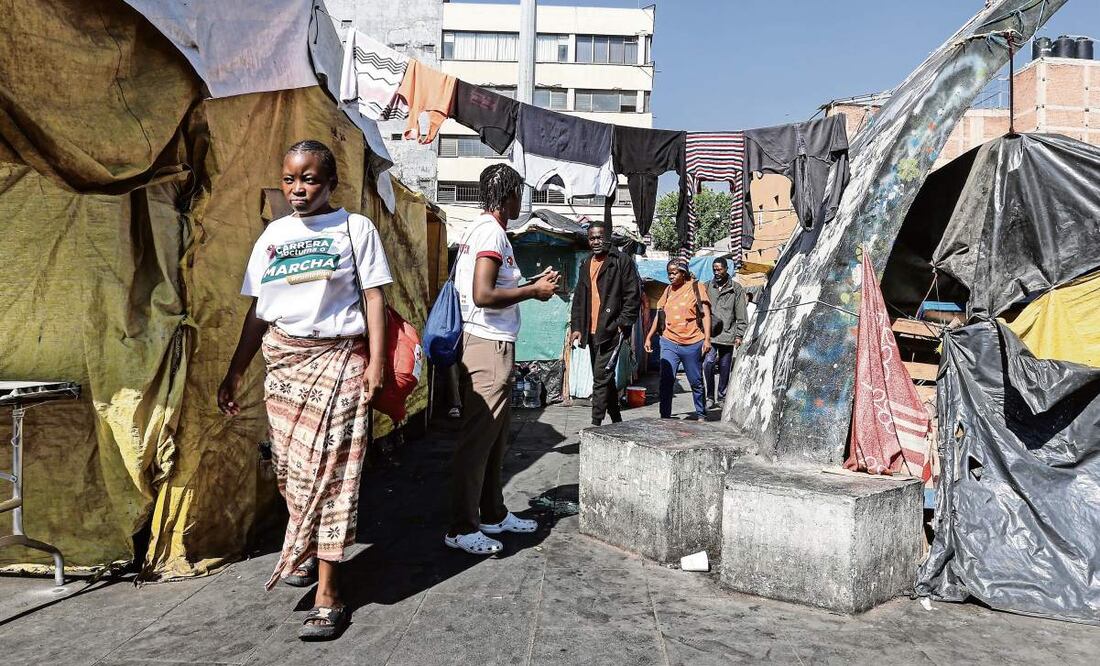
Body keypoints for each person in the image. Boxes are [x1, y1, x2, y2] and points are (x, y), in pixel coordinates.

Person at [218, 140, 391, 640]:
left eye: (311, 179)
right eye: (291, 179)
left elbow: (375, 299)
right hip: (284, 370)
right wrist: (235, 371)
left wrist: (377, 364)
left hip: (338, 364)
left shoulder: (355, 229)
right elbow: (259, 311)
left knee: (332, 478)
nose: (299, 189)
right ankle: (306, 550)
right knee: (295, 475)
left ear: (331, 183)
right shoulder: (272, 235)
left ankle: (329, 595)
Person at [446, 164, 560, 555]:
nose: (520, 201)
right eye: (519, 194)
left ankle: (493, 514)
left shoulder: (480, 231)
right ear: (510, 195)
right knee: (478, 443)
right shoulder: (491, 232)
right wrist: (534, 292)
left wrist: (531, 286)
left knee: (495, 440)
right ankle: (462, 527)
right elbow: (483, 293)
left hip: (491, 344)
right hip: (486, 346)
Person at [569, 222, 641, 427]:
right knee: (605, 376)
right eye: (592, 238)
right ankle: (616, 418)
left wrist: (623, 324)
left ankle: (595, 423)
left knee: (600, 376)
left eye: (599, 237)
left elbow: (632, 295)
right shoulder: (586, 263)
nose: (596, 241)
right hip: (591, 331)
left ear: (607, 238)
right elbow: (579, 298)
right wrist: (576, 327)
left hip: (612, 329)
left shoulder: (621, 261)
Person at [644, 258, 712, 420]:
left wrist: (707, 339)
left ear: (684, 273)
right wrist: (648, 336)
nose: (671, 276)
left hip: (693, 342)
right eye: (669, 274)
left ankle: (701, 414)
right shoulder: (668, 290)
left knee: (695, 381)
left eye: (674, 273)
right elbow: (660, 314)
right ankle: (665, 416)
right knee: (666, 380)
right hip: (669, 341)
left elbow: (706, 314)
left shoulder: (696, 287)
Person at [704, 257, 748, 409]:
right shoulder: (707, 287)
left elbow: (741, 312)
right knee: (708, 363)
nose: (717, 272)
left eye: (719, 269)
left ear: (726, 269)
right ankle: (709, 396)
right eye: (714, 270)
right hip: (710, 335)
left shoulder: (736, 289)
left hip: (728, 334)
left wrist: (739, 334)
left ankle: (721, 397)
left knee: (724, 368)